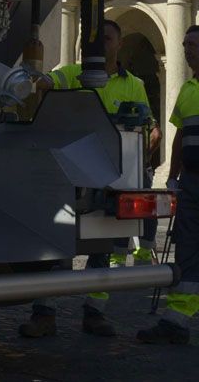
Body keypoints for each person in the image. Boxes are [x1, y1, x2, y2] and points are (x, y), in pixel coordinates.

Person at [19, 19, 161, 339]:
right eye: (90, 41)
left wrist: (140, 168)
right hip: (67, 176)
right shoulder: (72, 74)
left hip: (111, 179)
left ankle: (95, 313)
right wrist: (33, 77)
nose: (95, 47)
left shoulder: (134, 85)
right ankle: (44, 313)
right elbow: (46, 83)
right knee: (55, 245)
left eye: (105, 40)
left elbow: (147, 129)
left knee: (103, 250)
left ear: (118, 44)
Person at [137, 24, 199, 344]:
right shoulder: (188, 90)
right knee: (186, 251)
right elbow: (178, 140)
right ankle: (176, 322)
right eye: (185, 44)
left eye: (193, 44)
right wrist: (172, 176)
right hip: (190, 184)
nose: (187, 49)